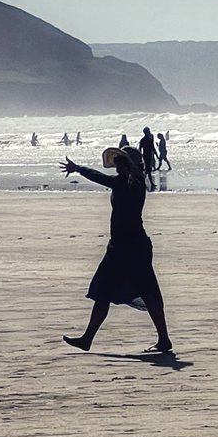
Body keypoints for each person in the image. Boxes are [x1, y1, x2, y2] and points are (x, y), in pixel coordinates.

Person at [60, 146, 173, 354]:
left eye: (121, 163)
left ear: (128, 164)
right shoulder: (136, 183)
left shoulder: (127, 183)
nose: (117, 166)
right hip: (126, 246)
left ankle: (164, 340)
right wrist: (79, 169)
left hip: (129, 247)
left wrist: (78, 168)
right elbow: (103, 178)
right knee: (112, 292)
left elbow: (99, 177)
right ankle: (87, 338)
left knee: (143, 292)